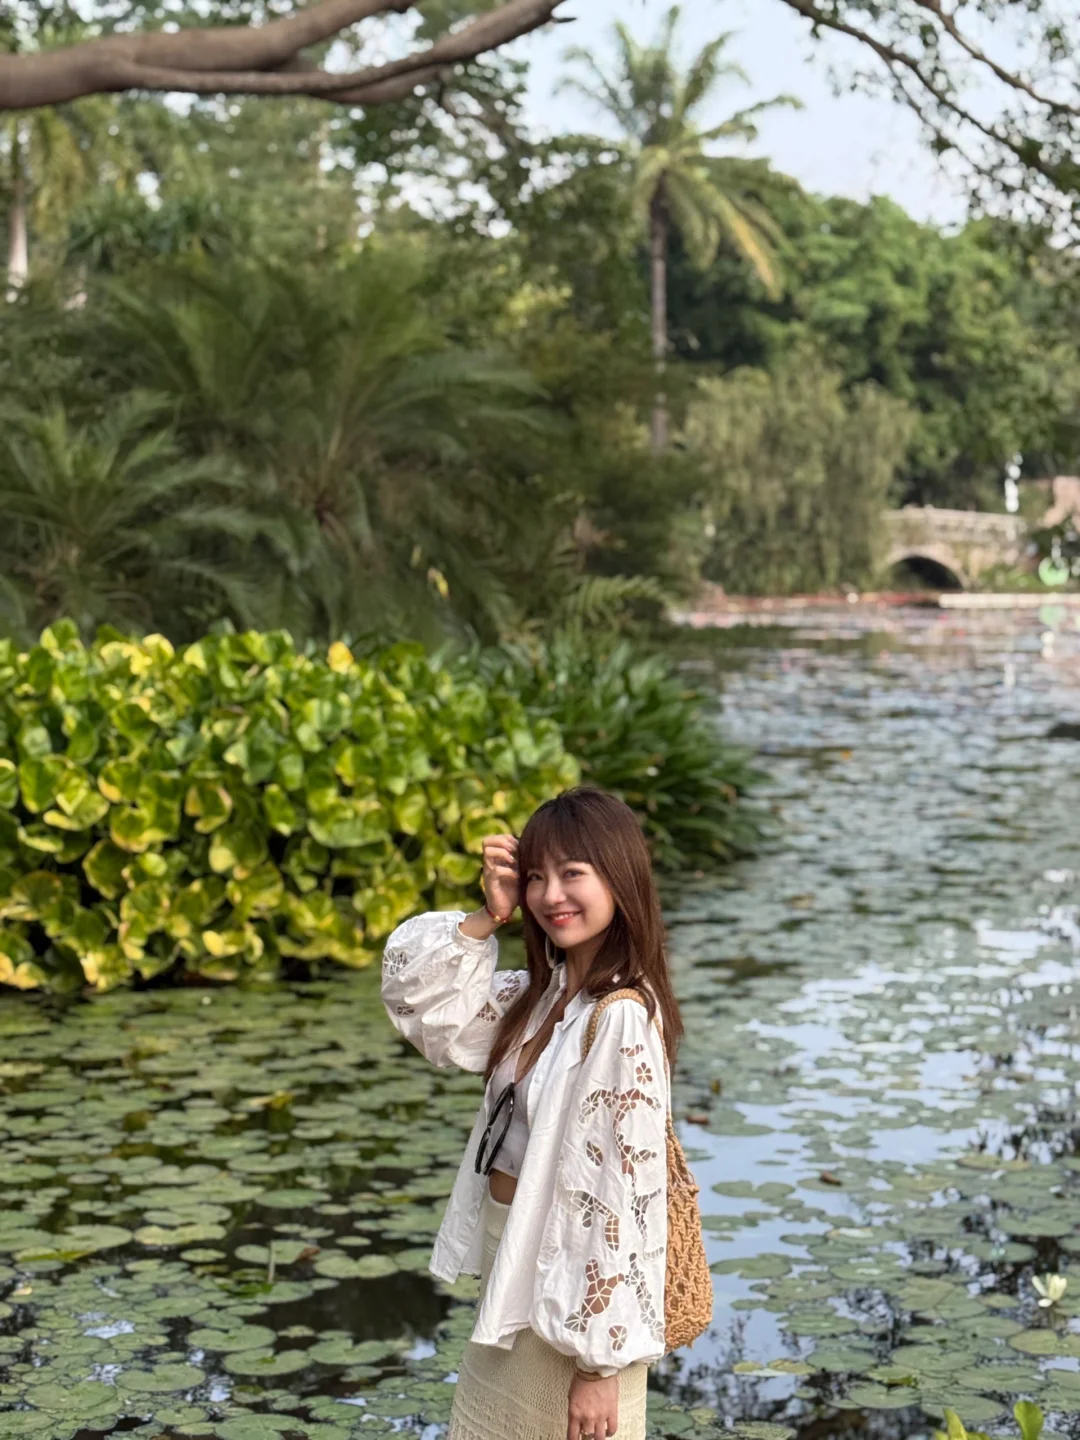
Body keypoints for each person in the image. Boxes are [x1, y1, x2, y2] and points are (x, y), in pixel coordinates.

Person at [381, 786, 684, 1440]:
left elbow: (620, 1196)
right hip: (512, 1264)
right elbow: (423, 1007)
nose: (552, 896)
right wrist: (489, 915)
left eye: (574, 874)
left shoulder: (621, 1019)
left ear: (620, 880)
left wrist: (599, 1367)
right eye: (538, 877)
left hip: (573, 1304)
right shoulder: (542, 998)